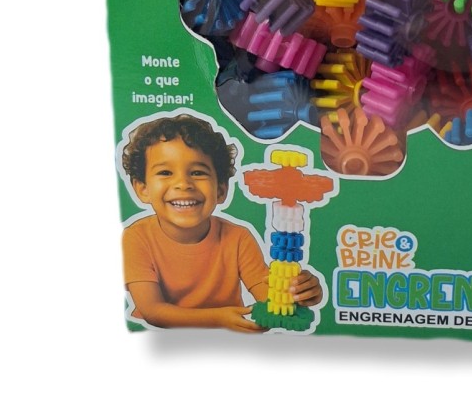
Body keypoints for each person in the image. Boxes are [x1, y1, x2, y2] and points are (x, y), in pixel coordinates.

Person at [121, 113, 324, 331]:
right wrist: (218, 318)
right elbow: (153, 311)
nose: (183, 183)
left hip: (226, 340)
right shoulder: (136, 238)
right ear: (142, 189)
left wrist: (299, 292)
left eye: (197, 172)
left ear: (220, 190)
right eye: (165, 172)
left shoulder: (238, 237)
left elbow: (268, 296)